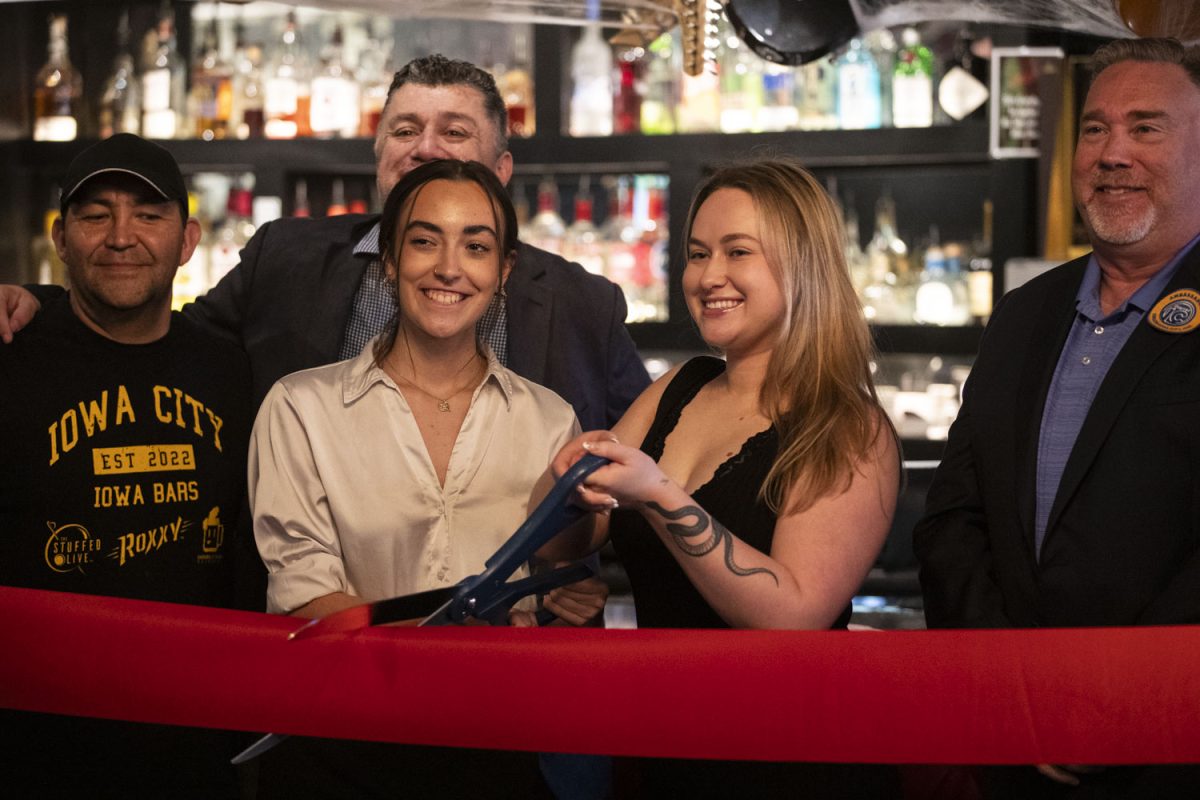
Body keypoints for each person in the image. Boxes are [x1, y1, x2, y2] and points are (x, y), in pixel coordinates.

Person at [0, 54, 650, 428]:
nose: (424, 147)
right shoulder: (282, 256)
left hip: (515, 630)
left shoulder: (584, 303)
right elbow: (153, 340)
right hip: (319, 614)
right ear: (378, 156)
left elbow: (646, 456)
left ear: (502, 172)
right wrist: (41, 307)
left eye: (453, 133)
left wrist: (577, 565)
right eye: (403, 130)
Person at [551, 158, 902, 797]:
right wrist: (566, 491)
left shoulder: (847, 426)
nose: (709, 276)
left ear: (803, 265)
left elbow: (794, 617)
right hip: (669, 743)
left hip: (789, 760)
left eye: (737, 252)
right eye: (697, 253)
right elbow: (575, 539)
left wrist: (658, 495)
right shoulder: (678, 389)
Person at [913, 37, 1200, 797]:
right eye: (1096, 129)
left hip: (1169, 753)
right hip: (1013, 745)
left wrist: (1127, 702)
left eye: (1146, 128)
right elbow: (952, 521)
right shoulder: (1023, 315)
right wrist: (1013, 685)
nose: (1113, 154)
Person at [249, 159, 589, 798]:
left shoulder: (549, 419)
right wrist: (458, 642)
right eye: (424, 240)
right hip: (342, 749)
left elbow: (557, 575)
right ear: (386, 260)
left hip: (495, 750)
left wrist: (564, 590)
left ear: (504, 271)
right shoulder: (301, 407)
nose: (449, 268)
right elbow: (303, 588)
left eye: (477, 246)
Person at [0, 133, 253, 797]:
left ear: (188, 238)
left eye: (148, 214)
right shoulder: (12, 356)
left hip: (195, 752)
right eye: (94, 215)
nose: (121, 236)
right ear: (59, 237)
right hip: (34, 752)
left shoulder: (231, 372)